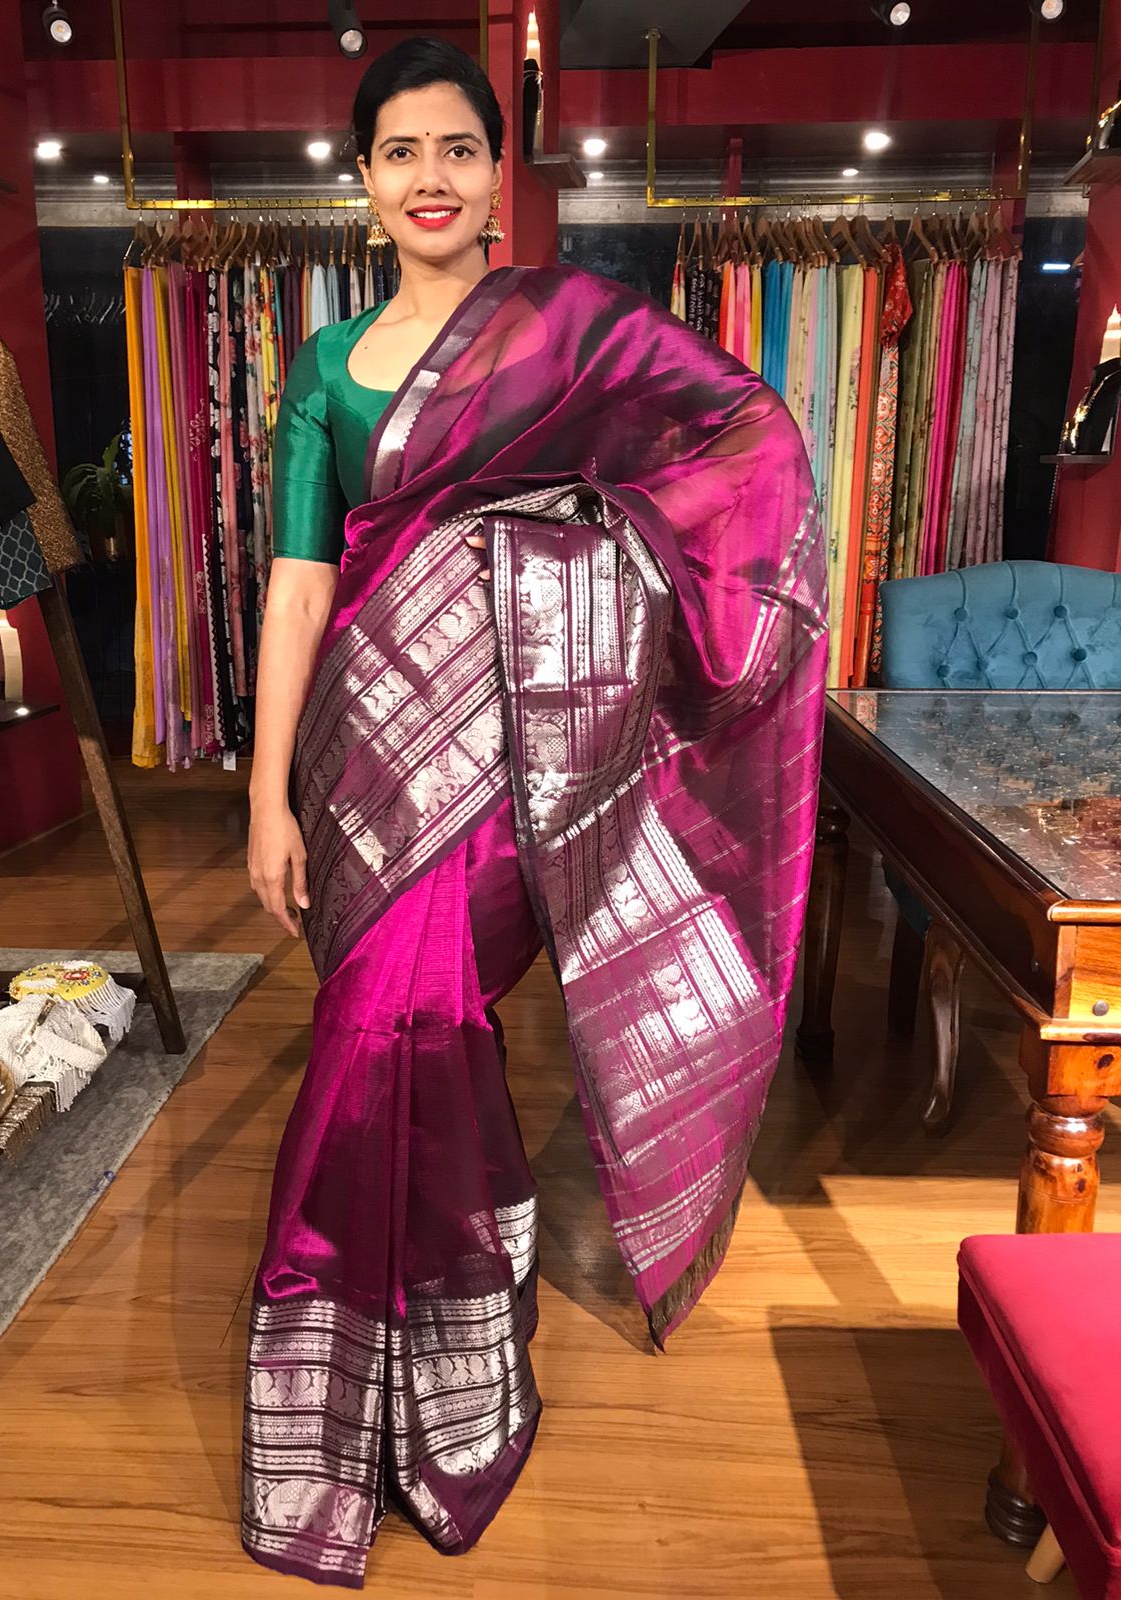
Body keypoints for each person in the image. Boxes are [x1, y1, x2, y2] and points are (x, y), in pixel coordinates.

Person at [244, 35, 827, 1590]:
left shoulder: (573, 330)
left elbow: (748, 446)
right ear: (363, 182)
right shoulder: (322, 366)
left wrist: (563, 541)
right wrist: (264, 792)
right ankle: (432, 1365)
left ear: (498, 174)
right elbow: (299, 587)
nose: (429, 177)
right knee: (392, 1033)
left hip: (509, 759)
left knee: (409, 1022)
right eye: (400, 152)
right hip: (358, 759)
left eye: (457, 148)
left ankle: (390, 1401)